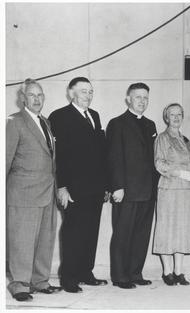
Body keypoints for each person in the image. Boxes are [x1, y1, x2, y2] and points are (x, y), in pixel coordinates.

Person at [49, 77, 108, 293]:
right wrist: (61, 186)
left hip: (95, 187)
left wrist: (106, 185)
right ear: (71, 93)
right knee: (74, 231)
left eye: (91, 91)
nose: (88, 95)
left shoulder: (95, 116)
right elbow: (59, 155)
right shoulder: (59, 116)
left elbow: (101, 152)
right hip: (73, 188)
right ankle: (69, 277)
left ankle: (85, 272)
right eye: (84, 91)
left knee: (91, 230)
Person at [6, 79, 62, 301]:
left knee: (44, 240)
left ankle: (39, 281)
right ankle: (19, 284)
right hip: (23, 193)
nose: (37, 99)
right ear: (23, 99)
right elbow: (5, 159)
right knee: (22, 240)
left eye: (40, 95)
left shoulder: (46, 122)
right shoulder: (14, 122)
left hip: (47, 191)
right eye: (32, 95)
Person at [106, 83, 158, 289]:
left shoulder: (150, 124)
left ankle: (135, 272)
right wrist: (117, 186)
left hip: (148, 191)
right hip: (126, 190)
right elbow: (113, 158)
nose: (142, 101)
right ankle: (120, 276)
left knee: (141, 234)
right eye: (138, 97)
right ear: (128, 99)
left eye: (145, 98)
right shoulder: (117, 123)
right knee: (123, 234)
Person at [153, 103, 190, 286]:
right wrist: (180, 173)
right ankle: (167, 272)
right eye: (172, 115)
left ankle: (179, 271)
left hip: (185, 191)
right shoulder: (162, 138)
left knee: (182, 230)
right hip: (169, 189)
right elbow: (159, 164)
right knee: (166, 229)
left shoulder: (186, 140)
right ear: (166, 118)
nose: (176, 118)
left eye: (179, 114)